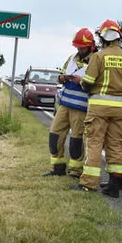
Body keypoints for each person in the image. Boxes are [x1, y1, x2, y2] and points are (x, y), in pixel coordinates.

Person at [72, 19, 122, 197]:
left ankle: (88, 184)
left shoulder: (99, 57)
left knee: (94, 144)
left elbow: (88, 83)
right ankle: (114, 185)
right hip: (119, 109)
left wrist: (84, 83)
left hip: (98, 108)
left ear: (103, 37)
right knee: (115, 145)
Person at [42, 28, 95, 178]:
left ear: (91, 46)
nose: (79, 49)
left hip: (82, 106)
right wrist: (62, 78)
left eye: (82, 47)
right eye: (77, 46)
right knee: (54, 134)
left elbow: (97, 82)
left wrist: (82, 81)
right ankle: (57, 167)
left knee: (76, 140)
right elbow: (60, 75)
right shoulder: (72, 58)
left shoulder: (96, 60)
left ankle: (76, 171)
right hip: (65, 104)